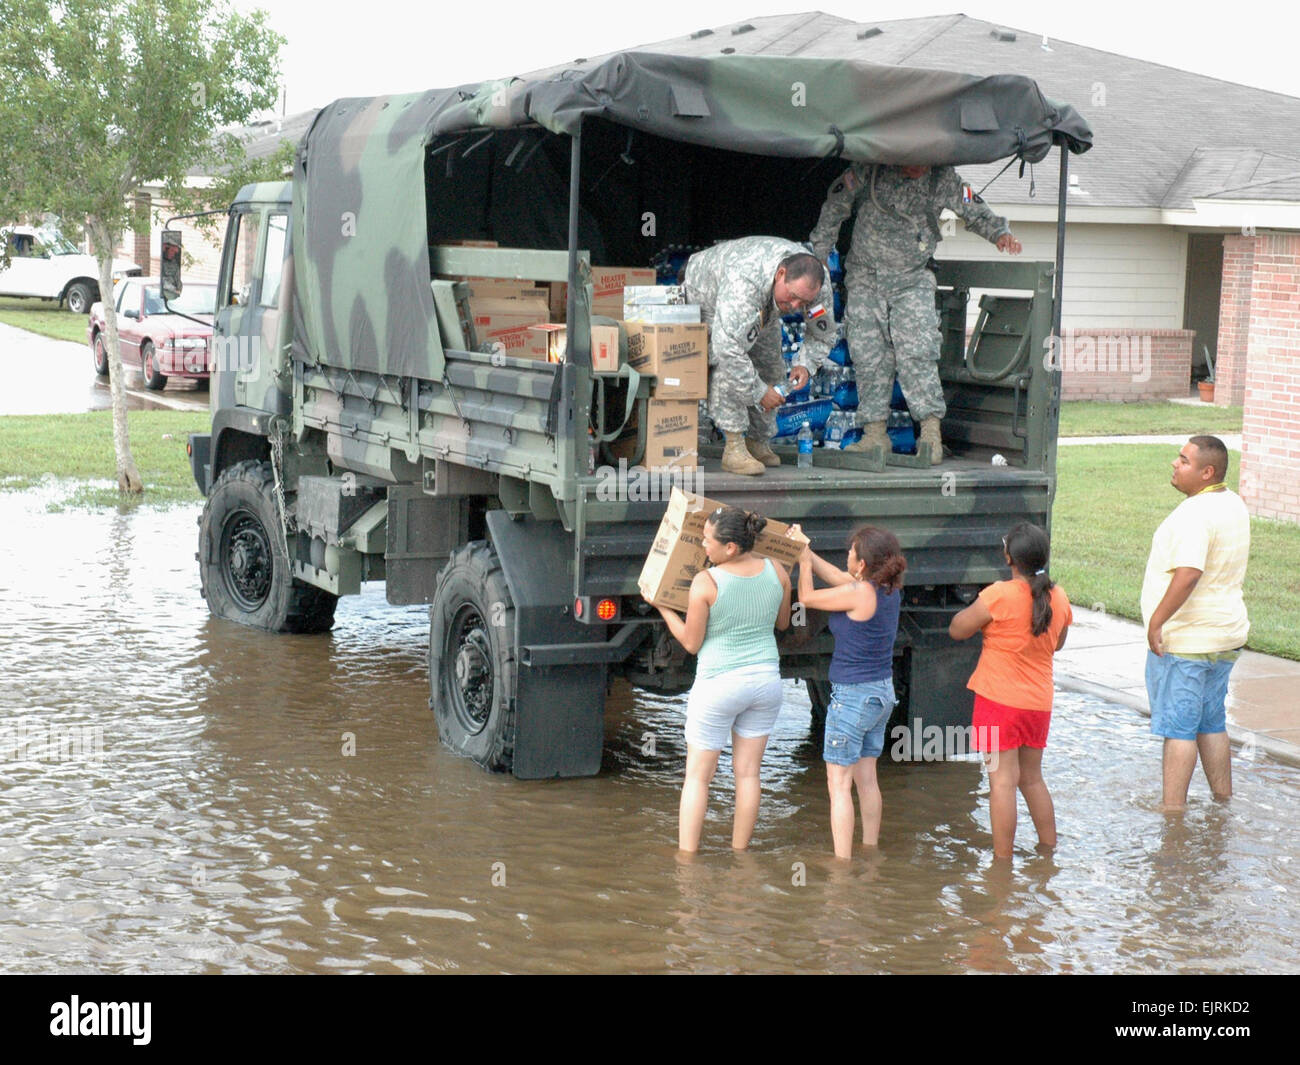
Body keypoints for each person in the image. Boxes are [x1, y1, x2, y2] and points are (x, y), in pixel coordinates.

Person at [810, 164, 1022, 463]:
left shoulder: (943, 178)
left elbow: (973, 207)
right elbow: (837, 204)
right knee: (868, 354)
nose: (917, 168)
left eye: (924, 161)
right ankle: (874, 435)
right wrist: (819, 253)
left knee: (918, 351)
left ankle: (931, 435)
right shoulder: (869, 169)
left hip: (912, 278)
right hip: (865, 277)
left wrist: (999, 233)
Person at [647, 506, 792, 851]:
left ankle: (687, 859)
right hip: (766, 682)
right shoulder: (777, 570)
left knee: (698, 777)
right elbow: (783, 624)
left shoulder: (706, 581)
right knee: (749, 775)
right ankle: (740, 854)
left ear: (730, 547)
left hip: (719, 684)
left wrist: (663, 606)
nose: (702, 545)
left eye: (707, 540)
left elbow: (691, 643)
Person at [949, 522, 1071, 858]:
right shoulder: (1058, 597)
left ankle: (1001, 865)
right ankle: (1048, 851)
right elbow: (1057, 643)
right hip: (1038, 704)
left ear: (1009, 559)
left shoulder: (998, 595)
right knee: (1032, 779)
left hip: (997, 701)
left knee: (1001, 782)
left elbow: (957, 629)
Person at [1141, 435, 1249, 810]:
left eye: (1184, 461)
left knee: (1180, 730)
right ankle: (1223, 801)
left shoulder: (1193, 515)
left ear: (1207, 472)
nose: (1174, 464)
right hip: (1225, 637)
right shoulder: (1233, 503)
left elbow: (1188, 574)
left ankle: (1172, 812)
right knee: (1211, 722)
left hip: (1188, 642)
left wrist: (1156, 622)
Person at [792, 524, 906, 858]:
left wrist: (803, 565)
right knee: (866, 778)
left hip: (853, 698)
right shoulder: (886, 590)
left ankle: (842, 866)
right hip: (881, 695)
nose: (847, 558)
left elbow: (807, 598)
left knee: (839, 785)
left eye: (851, 554)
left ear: (862, 564)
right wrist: (807, 552)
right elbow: (843, 579)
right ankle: (870, 851)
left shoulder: (859, 593)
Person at [683, 237, 835, 475]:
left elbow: (822, 333)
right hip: (707, 291)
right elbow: (728, 349)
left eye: (802, 302)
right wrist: (759, 392)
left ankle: (758, 441)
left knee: (771, 365)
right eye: (792, 296)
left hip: (763, 301)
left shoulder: (817, 287)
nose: (795, 305)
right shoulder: (744, 282)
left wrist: (805, 364)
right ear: (781, 274)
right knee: (730, 359)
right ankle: (733, 446)